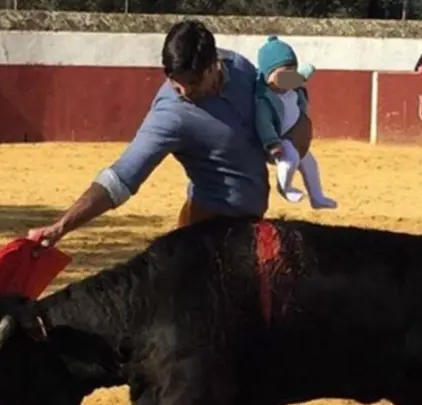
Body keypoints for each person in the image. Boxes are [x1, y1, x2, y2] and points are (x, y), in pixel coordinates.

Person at [27, 20, 311, 246]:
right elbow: (122, 177)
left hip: (251, 229)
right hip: (205, 236)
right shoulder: (170, 114)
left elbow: (275, 106)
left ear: (214, 64)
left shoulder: (239, 67)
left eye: (194, 81)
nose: (184, 91)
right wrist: (62, 226)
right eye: (176, 82)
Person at [254, 35, 337, 209]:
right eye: (284, 74)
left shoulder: (293, 86)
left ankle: (317, 197)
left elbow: (304, 74)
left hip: (297, 139)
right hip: (280, 141)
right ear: (268, 75)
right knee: (290, 158)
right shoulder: (264, 99)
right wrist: (272, 142)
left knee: (310, 163)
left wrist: (309, 69)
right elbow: (263, 123)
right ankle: (285, 187)